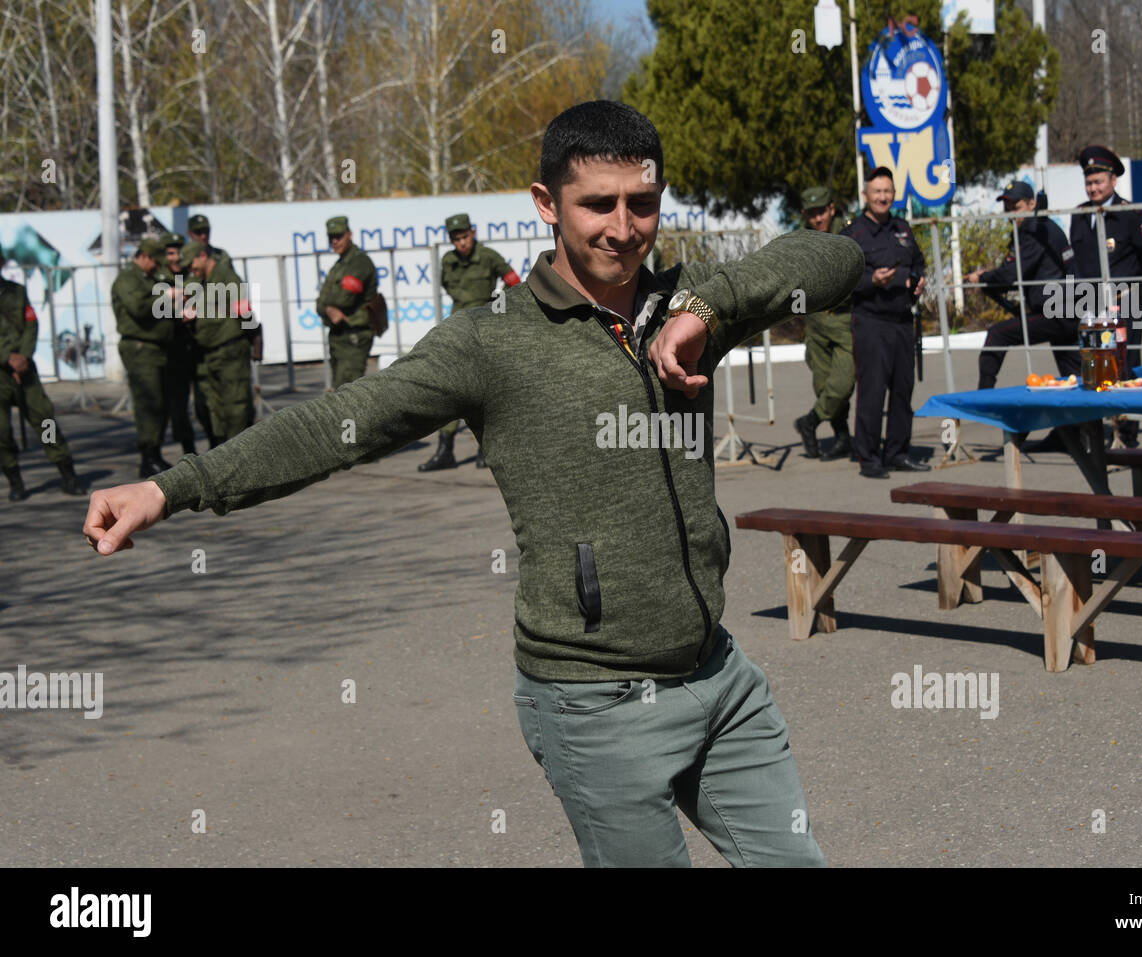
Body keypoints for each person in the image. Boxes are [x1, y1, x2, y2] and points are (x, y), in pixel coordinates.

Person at [84, 99, 863, 868]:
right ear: (545, 204)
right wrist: (172, 488)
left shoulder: (685, 302)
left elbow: (837, 260)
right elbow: (339, 422)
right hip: (598, 703)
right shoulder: (492, 341)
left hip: (720, 678)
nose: (623, 229)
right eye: (597, 205)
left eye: (642, 204)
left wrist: (706, 304)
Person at [840, 166, 930, 478]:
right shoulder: (853, 234)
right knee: (873, 391)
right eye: (877, 191)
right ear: (866, 195)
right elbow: (841, 277)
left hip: (903, 320)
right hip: (871, 321)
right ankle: (869, 457)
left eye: (887, 191)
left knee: (903, 390)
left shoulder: (902, 227)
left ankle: (897, 453)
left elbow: (918, 262)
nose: (883, 197)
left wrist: (919, 281)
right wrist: (872, 279)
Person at [1069, 145, 1142, 448]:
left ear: (1113, 181)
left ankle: (1127, 432)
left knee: (1126, 361)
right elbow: (1079, 259)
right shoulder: (1080, 216)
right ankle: (1096, 429)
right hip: (1092, 301)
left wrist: (1128, 287)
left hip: (1126, 299)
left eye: (1099, 182)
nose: (1093, 188)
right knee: (1094, 362)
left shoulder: (1129, 214)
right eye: (1089, 182)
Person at [419, 212, 521, 471]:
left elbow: (513, 281)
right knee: (453, 388)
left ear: (472, 233)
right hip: (458, 328)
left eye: (464, 237)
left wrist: (498, 303)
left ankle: (485, 448)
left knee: (485, 389)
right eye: (456, 239)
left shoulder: (488, 257)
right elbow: (448, 286)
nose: (461, 243)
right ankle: (445, 449)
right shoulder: (449, 260)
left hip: (485, 329)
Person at [967, 181, 1076, 389]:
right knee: (1073, 372)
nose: (1011, 215)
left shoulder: (1033, 230)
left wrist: (981, 278)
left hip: (1054, 312)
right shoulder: (1045, 226)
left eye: (1016, 208)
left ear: (1032, 204)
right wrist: (990, 278)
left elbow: (1011, 273)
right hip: (1065, 309)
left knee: (997, 335)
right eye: (1007, 209)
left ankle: (984, 397)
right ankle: (1083, 421)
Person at [1, 271, 82, 500]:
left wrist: (23, 357)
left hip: (24, 370)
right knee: (2, 432)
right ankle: (15, 481)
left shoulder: (15, 291)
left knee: (45, 421)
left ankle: (67, 473)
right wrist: (7, 356)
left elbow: (31, 323)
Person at [792, 186, 854, 461]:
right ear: (806, 214)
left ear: (832, 208)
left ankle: (810, 421)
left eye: (823, 212)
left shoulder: (850, 232)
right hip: (815, 319)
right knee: (822, 382)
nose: (818, 219)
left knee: (843, 382)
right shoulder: (799, 238)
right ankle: (842, 437)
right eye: (812, 214)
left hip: (844, 318)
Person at [111, 237, 178, 476]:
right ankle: (148, 455)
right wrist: (167, 296)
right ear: (145, 256)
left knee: (160, 403)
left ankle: (155, 453)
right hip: (140, 348)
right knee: (148, 403)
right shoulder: (128, 278)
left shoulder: (148, 278)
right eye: (155, 261)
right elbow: (138, 306)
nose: (157, 267)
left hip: (156, 348)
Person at [178, 241, 254, 445]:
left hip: (230, 351)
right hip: (213, 353)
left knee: (235, 408)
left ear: (203, 255)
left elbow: (243, 309)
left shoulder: (225, 276)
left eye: (192, 263)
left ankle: (240, 454)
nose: (191, 268)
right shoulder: (205, 280)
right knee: (218, 409)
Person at [315, 216, 377, 388]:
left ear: (349, 234)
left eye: (339, 236)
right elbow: (320, 303)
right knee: (339, 392)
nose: (334, 241)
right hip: (339, 336)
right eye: (331, 238)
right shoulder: (339, 266)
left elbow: (343, 300)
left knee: (348, 394)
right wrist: (328, 309)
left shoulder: (359, 263)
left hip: (353, 336)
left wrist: (328, 305)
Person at [158, 231, 202, 455]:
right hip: (172, 350)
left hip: (198, 346)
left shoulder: (191, 275)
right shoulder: (158, 279)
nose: (175, 258)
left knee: (205, 403)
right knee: (178, 406)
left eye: (178, 252)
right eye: (170, 253)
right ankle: (188, 451)